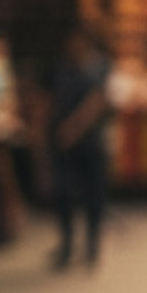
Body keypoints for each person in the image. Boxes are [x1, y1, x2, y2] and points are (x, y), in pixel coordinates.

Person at [48, 26, 111, 269]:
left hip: (90, 141)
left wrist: (73, 128)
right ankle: (67, 244)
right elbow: (50, 101)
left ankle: (93, 244)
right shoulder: (59, 69)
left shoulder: (98, 67)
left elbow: (97, 101)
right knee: (62, 193)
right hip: (64, 142)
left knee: (93, 194)